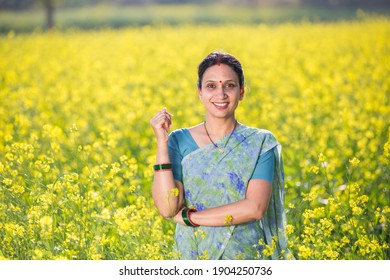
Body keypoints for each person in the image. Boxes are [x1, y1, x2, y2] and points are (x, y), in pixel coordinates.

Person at [150, 51, 293, 260]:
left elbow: (255, 208)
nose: (221, 94)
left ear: (242, 92)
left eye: (230, 85)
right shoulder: (179, 140)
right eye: (211, 86)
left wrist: (191, 218)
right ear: (199, 92)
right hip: (195, 254)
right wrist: (162, 143)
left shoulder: (260, 142)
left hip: (248, 257)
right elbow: (168, 208)